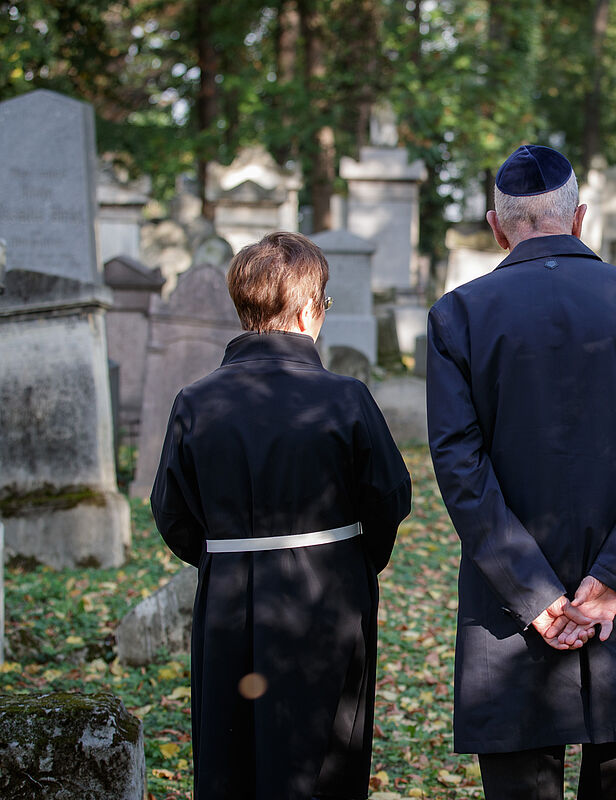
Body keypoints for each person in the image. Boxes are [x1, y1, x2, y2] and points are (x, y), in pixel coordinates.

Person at [426, 144, 616, 800]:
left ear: (497, 227)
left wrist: (533, 594)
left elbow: (459, 465)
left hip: (509, 592)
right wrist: (614, 581)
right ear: (579, 218)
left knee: (519, 778)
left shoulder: (459, 316)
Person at [151, 231, 412, 800]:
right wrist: (350, 560)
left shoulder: (195, 402)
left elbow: (172, 513)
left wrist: (229, 559)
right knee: (325, 758)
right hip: (327, 596)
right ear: (305, 309)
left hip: (229, 601)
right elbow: (390, 498)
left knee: (231, 754)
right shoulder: (345, 398)